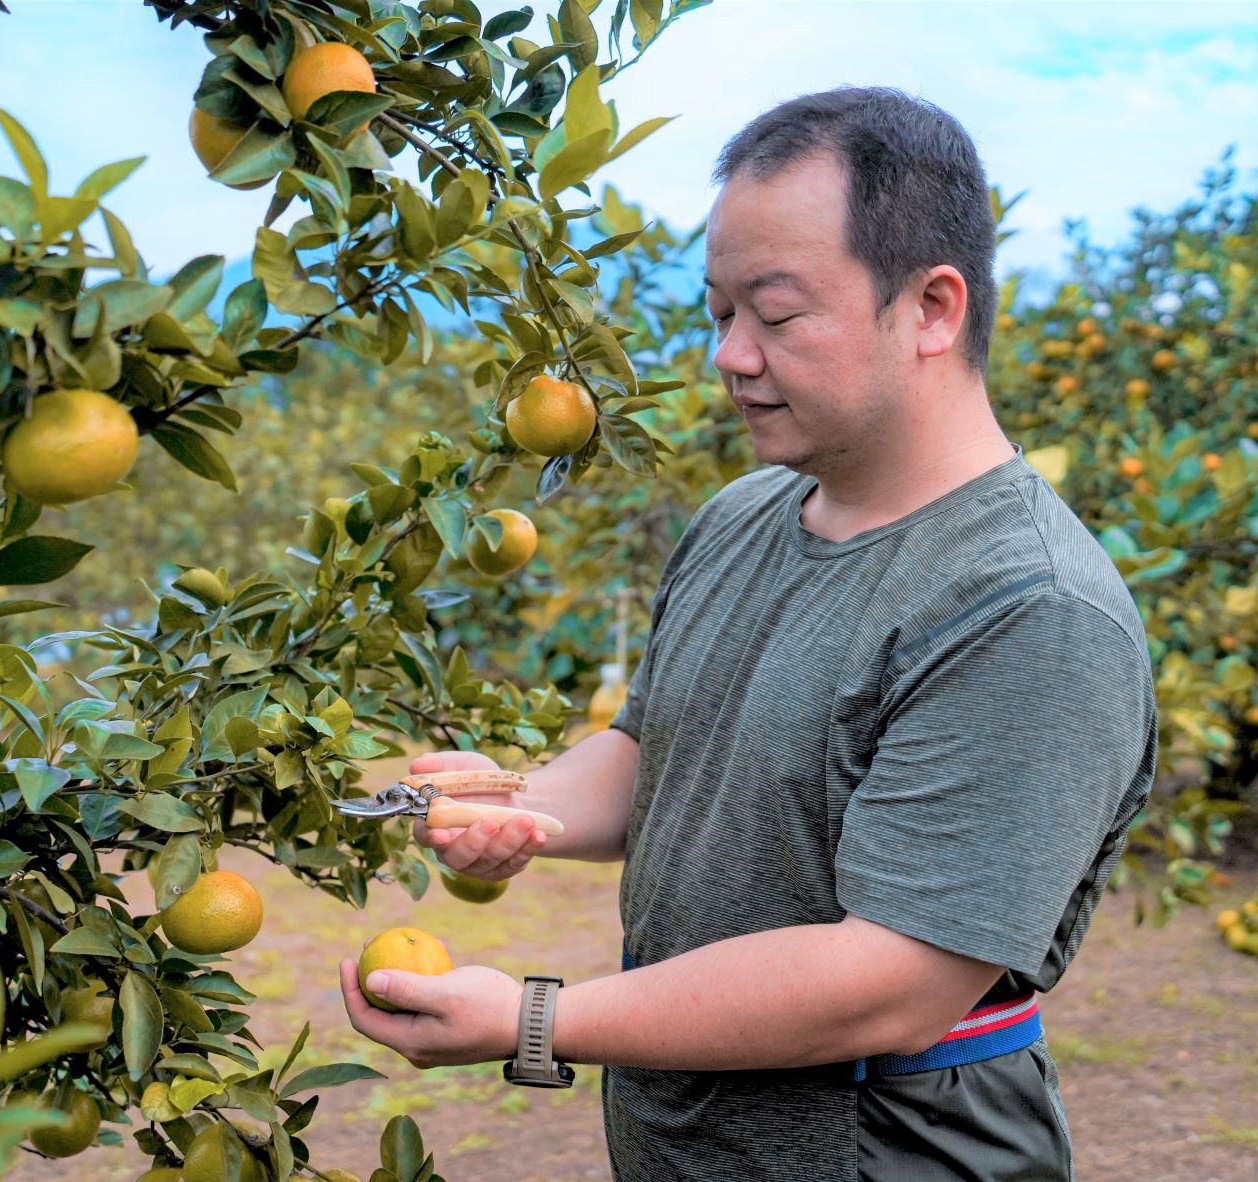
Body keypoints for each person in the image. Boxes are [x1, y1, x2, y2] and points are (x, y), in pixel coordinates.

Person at [339, 85, 1157, 1181]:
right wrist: (517, 805)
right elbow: (659, 753)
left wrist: (536, 1020)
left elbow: (891, 981)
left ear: (932, 309)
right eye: (720, 312)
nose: (730, 355)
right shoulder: (745, 514)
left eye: (775, 316)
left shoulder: (1026, 610)